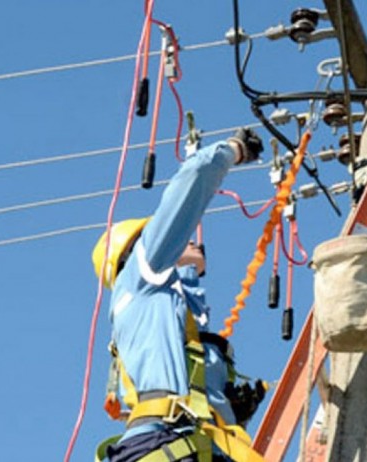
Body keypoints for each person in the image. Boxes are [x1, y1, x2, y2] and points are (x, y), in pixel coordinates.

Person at [92, 128, 265, 462]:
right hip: (167, 442)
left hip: (190, 444)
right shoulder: (142, 270)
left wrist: (226, 406)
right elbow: (195, 177)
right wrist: (234, 149)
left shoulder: (160, 312)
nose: (191, 241)